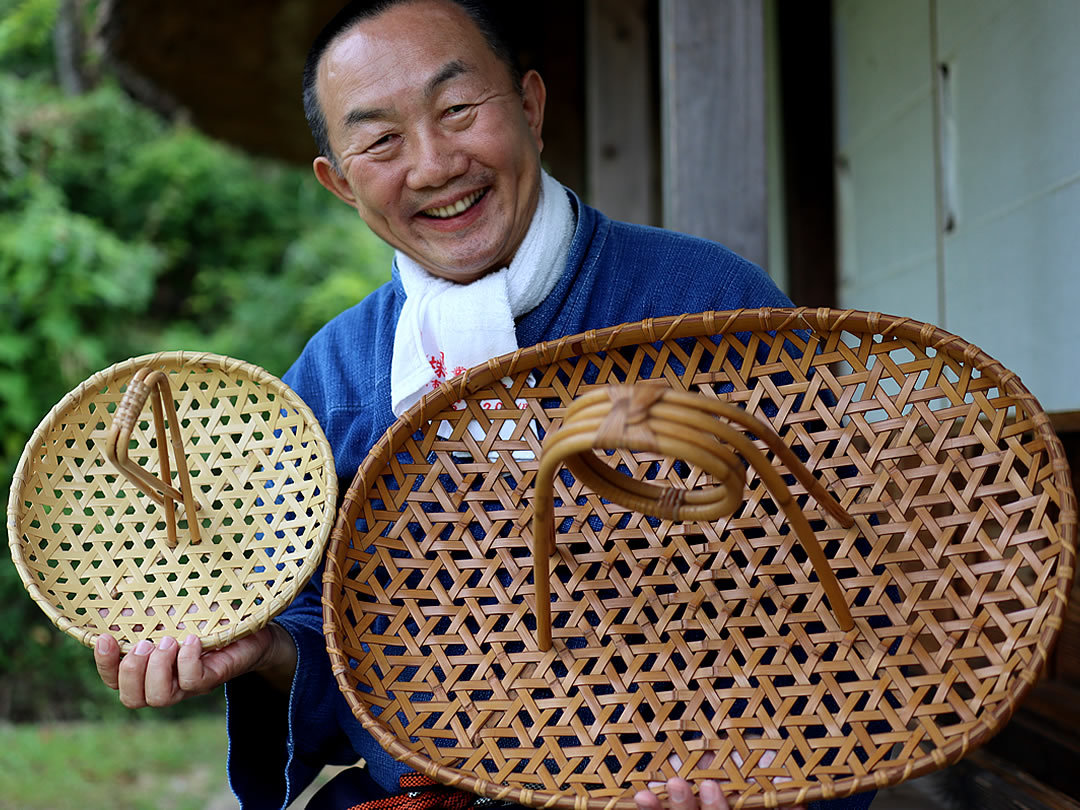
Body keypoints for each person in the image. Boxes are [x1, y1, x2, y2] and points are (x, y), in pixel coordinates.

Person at [94, 2, 872, 810]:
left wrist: (771, 781)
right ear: (339, 182)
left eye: (458, 110)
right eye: (381, 141)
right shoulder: (332, 380)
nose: (433, 164)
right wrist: (261, 656)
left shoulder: (710, 307)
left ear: (529, 106)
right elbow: (333, 662)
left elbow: (859, 595)